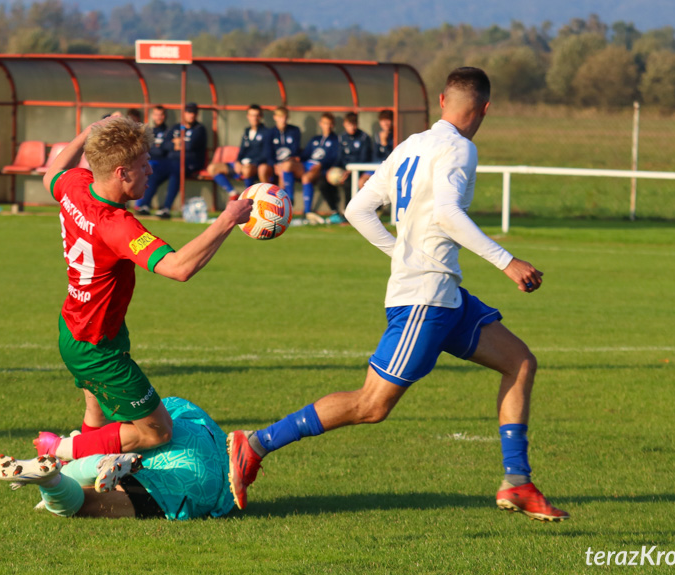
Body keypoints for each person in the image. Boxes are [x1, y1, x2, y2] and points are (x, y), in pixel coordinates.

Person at [226, 67, 569, 523]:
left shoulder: (411, 145)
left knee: (520, 361)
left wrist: (400, 251)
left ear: (443, 101)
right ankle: (255, 444)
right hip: (424, 299)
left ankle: (518, 482)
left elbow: (357, 208)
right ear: (484, 109)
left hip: (444, 294)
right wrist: (507, 262)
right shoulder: (460, 149)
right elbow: (447, 212)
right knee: (371, 405)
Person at [36, 115, 252, 463]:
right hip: (95, 346)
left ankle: (77, 481)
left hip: (78, 325)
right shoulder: (116, 225)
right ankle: (59, 450)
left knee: (98, 413)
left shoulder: (76, 185)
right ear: (121, 173)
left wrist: (87, 133)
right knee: (157, 431)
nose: (150, 170)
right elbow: (179, 268)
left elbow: (51, 174)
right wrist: (227, 219)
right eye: (143, 164)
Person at [0, 396, 235, 521]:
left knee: (82, 499)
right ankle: (61, 475)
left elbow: (109, 429)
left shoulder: (177, 408)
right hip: (205, 473)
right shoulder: (184, 411)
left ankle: (53, 480)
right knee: (85, 492)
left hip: (181, 472)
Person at [137, 103, 208, 219]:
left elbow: (190, 146)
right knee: (155, 173)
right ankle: (144, 205)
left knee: (176, 171)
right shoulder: (176, 127)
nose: (191, 115)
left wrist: (177, 142)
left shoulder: (199, 129)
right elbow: (165, 145)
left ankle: (166, 208)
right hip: (171, 161)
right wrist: (178, 143)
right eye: (189, 112)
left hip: (190, 163)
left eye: (193, 113)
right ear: (184, 114)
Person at [207, 104, 271, 201]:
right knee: (212, 168)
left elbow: (266, 154)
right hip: (242, 164)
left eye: (257, 115)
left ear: (261, 116)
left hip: (255, 165)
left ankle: (249, 198)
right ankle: (233, 193)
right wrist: (237, 161)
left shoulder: (266, 132)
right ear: (248, 116)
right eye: (252, 115)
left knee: (246, 170)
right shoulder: (246, 131)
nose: (254, 118)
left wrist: (250, 163)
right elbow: (242, 150)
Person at [325, 112, 372, 221]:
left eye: (354, 124)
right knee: (323, 182)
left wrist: (349, 171)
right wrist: (333, 169)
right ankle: (335, 211)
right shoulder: (342, 138)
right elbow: (339, 158)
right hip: (345, 171)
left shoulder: (364, 138)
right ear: (345, 124)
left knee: (348, 183)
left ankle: (348, 212)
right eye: (349, 124)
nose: (352, 127)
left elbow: (364, 159)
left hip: (358, 171)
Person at [299, 112, 340, 223]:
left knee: (306, 178)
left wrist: (321, 164)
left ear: (333, 125)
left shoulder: (336, 141)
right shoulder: (315, 139)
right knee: (286, 168)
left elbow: (333, 158)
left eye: (330, 124)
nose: (328, 126)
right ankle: (283, 209)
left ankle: (307, 212)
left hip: (320, 169)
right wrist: (295, 159)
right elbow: (305, 155)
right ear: (321, 124)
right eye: (325, 123)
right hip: (307, 166)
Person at [134, 105, 169, 216]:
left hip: (161, 164)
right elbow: (146, 148)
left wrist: (155, 149)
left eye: (161, 115)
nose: (159, 117)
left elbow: (164, 150)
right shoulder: (149, 131)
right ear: (152, 116)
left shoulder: (169, 131)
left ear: (165, 116)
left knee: (149, 172)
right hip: (148, 162)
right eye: (156, 115)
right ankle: (139, 204)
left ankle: (141, 204)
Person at [267, 106, 302, 205]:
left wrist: (283, 164)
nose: (283, 119)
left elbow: (295, 151)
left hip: (291, 163)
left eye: (285, 117)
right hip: (276, 164)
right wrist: (275, 164)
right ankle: (272, 200)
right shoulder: (270, 133)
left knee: (285, 167)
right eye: (280, 117)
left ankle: (287, 199)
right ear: (275, 117)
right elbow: (268, 152)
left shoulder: (294, 130)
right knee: (265, 169)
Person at [358, 109, 394, 189]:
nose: (385, 123)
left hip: (388, 169)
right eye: (383, 120)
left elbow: (392, 156)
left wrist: (384, 143)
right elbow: (375, 156)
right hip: (375, 167)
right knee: (362, 182)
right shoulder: (377, 136)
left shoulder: (396, 135)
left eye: (388, 119)